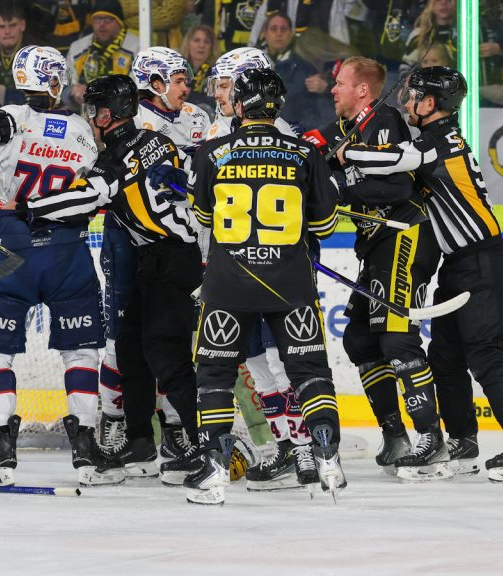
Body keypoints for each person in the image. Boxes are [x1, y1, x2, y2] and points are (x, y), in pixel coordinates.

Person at [0, 45, 123, 487]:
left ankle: (0, 449)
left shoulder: (11, 118)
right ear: (55, 79)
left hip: (13, 254)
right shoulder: (81, 129)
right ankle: (86, 451)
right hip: (70, 252)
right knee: (81, 351)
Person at [338, 66, 503, 483]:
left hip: (483, 261)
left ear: (431, 103)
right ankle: (463, 442)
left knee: (487, 356)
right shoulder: (434, 139)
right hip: (458, 265)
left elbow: (395, 158)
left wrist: (349, 154)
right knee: (445, 358)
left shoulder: (439, 141)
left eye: (414, 96)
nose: (406, 102)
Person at [27, 74, 203, 487]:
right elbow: (195, 169)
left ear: (108, 114)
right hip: (158, 258)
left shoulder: (115, 159)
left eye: (94, 110)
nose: (91, 117)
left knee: (167, 355)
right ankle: (140, 443)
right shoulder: (156, 139)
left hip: (171, 259)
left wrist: (31, 207)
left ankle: (203, 445)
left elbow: (86, 196)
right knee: (130, 348)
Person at [183, 67, 344, 505]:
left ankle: (215, 470)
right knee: (310, 372)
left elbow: (203, 217)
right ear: (279, 105)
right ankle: (327, 457)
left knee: (215, 375)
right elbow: (325, 225)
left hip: (228, 284)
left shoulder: (212, 152)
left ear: (239, 105)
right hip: (290, 283)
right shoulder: (305, 153)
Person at [305, 57, 448, 480]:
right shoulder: (348, 127)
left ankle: (431, 438)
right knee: (360, 339)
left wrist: (338, 186)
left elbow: (398, 185)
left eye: (340, 83)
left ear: (363, 90)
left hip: (404, 235)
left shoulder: (383, 120)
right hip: (376, 245)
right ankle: (395, 435)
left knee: (396, 337)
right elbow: (311, 148)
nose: (333, 89)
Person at [202, 46, 318, 492]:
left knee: (280, 360)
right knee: (254, 362)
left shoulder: (279, 134)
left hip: (277, 268)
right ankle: (288, 445)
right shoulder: (219, 131)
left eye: (227, 85)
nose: (220, 94)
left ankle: (306, 448)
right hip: (234, 271)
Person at [94, 46, 208, 483]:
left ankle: (190, 437)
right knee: (127, 342)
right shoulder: (134, 123)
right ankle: (136, 435)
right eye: (178, 80)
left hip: (177, 245)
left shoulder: (195, 119)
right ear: (155, 83)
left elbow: (202, 176)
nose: (187, 88)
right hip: (134, 244)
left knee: (167, 345)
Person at [263, 13, 337, 134]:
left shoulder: (307, 62)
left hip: (294, 130)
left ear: (291, 34)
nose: (278, 33)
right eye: (273, 29)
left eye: (283, 29)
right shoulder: (251, 60)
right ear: (264, 33)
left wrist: (326, 87)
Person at [66, 0, 138, 107]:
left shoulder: (137, 47)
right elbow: (65, 85)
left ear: (120, 22)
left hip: (124, 110)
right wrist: (72, 93)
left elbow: (138, 87)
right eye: (97, 19)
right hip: (85, 110)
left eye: (108, 19)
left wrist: (102, 94)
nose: (101, 24)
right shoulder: (78, 47)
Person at [180, 24, 217, 112]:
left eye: (206, 42)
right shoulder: (178, 70)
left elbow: (212, 102)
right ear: (188, 44)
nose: (202, 45)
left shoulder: (214, 74)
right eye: (197, 40)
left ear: (211, 47)